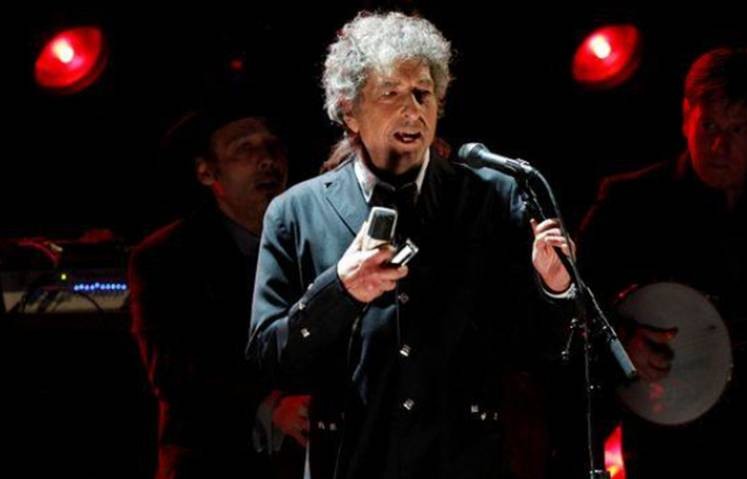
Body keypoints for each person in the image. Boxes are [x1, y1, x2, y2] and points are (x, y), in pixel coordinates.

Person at [247, 11, 575, 479]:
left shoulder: (490, 198)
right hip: (352, 462)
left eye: (423, 93)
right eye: (391, 93)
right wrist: (340, 289)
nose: (412, 110)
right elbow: (269, 359)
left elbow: (536, 350)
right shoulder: (294, 212)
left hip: (465, 463)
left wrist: (555, 287)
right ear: (348, 111)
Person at [578, 47, 747, 477]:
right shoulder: (630, 205)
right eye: (709, 125)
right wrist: (619, 338)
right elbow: (565, 300)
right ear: (686, 118)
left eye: (738, 129)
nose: (719, 145)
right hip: (668, 447)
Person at [129, 106, 308, 479]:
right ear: (206, 172)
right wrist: (269, 405)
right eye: (245, 148)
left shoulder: (312, 238)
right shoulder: (166, 256)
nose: (267, 160)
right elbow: (172, 370)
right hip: (213, 459)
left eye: (272, 146)